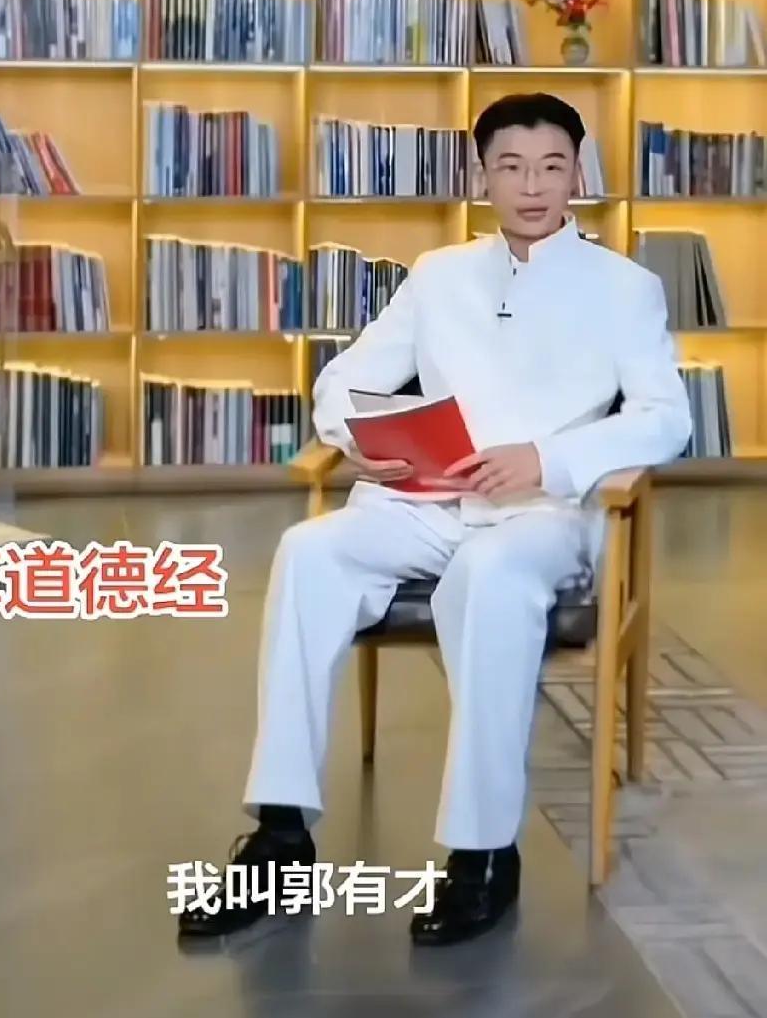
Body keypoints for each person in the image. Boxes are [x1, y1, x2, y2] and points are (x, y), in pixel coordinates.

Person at [178, 92, 692, 946]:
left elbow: (666, 419)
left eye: (552, 166)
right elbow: (342, 381)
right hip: (426, 501)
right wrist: (360, 438)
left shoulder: (624, 288)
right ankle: (279, 836)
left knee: (488, 576)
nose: (533, 185)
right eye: (511, 167)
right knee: (308, 553)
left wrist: (546, 457)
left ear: (577, 173)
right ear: (482, 176)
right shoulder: (440, 275)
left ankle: (483, 854)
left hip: (542, 515)